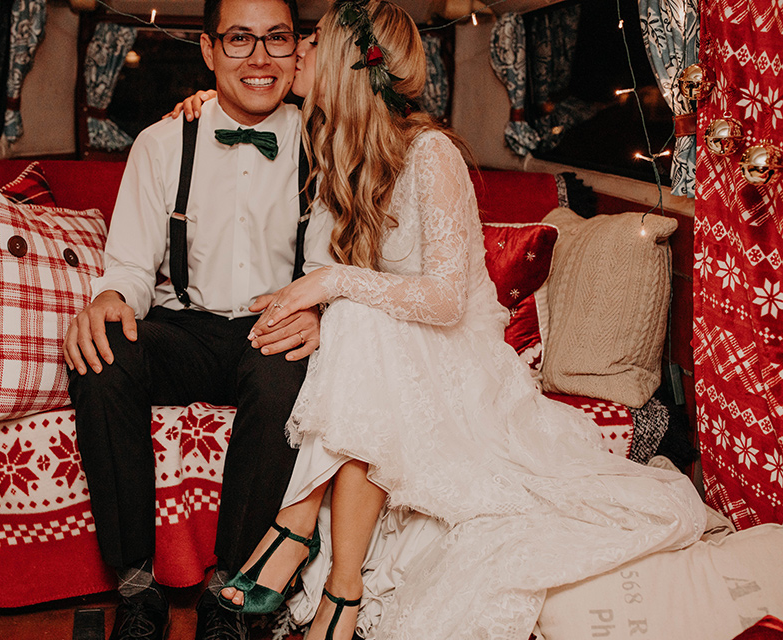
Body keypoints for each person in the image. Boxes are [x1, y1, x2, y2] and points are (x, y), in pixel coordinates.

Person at [178, 2, 707, 639]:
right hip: (392, 355)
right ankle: (337, 586)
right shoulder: (335, 149)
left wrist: (331, 284)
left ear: (347, 65)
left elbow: (446, 300)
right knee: (357, 322)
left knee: (356, 315)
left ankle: (298, 531)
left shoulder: (431, 154)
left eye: (310, 42)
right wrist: (200, 105)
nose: (293, 54)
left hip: (455, 356)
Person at [63, 1, 334, 639]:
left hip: (273, 324)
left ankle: (231, 597)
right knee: (103, 354)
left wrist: (316, 312)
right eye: (240, 40)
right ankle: (136, 590)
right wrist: (110, 298)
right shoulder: (161, 143)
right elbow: (130, 265)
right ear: (209, 51)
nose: (260, 58)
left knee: (284, 382)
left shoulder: (326, 145)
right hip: (184, 325)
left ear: (298, 50)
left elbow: (326, 263)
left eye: (277, 39)